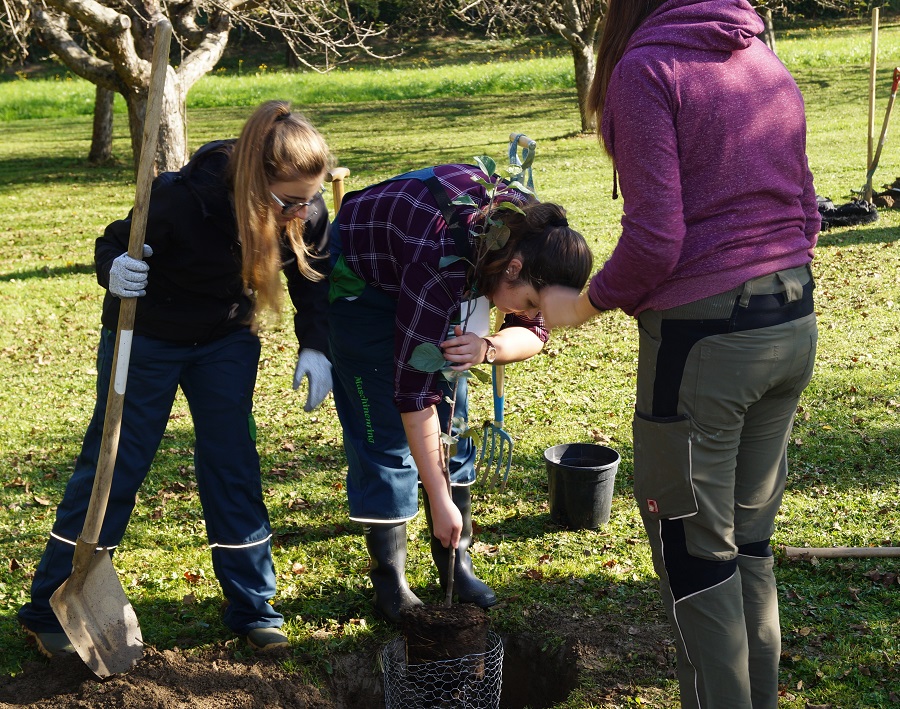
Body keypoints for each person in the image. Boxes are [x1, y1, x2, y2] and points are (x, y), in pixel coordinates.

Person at [538, 2, 820, 707]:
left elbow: (656, 238)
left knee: (696, 555)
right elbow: (807, 209)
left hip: (705, 346)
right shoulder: (760, 56)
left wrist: (584, 303)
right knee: (747, 545)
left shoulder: (647, 70)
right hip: (792, 322)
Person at [19, 100, 334, 656]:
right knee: (115, 463)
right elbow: (113, 242)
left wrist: (315, 345)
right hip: (147, 336)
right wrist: (115, 269)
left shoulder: (303, 208)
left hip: (226, 339)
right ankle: (49, 607)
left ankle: (254, 608)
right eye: (289, 200)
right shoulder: (178, 198)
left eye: (310, 198)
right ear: (253, 183)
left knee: (232, 462)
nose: (302, 212)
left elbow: (314, 277)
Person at [328, 163, 593, 623]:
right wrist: (439, 498)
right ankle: (390, 580)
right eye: (531, 301)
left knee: (453, 416)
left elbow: (534, 332)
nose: (532, 312)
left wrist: (487, 347)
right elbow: (413, 395)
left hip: (430, 265)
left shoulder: (531, 240)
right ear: (512, 269)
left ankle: (456, 562)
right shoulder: (439, 261)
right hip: (363, 278)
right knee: (386, 433)